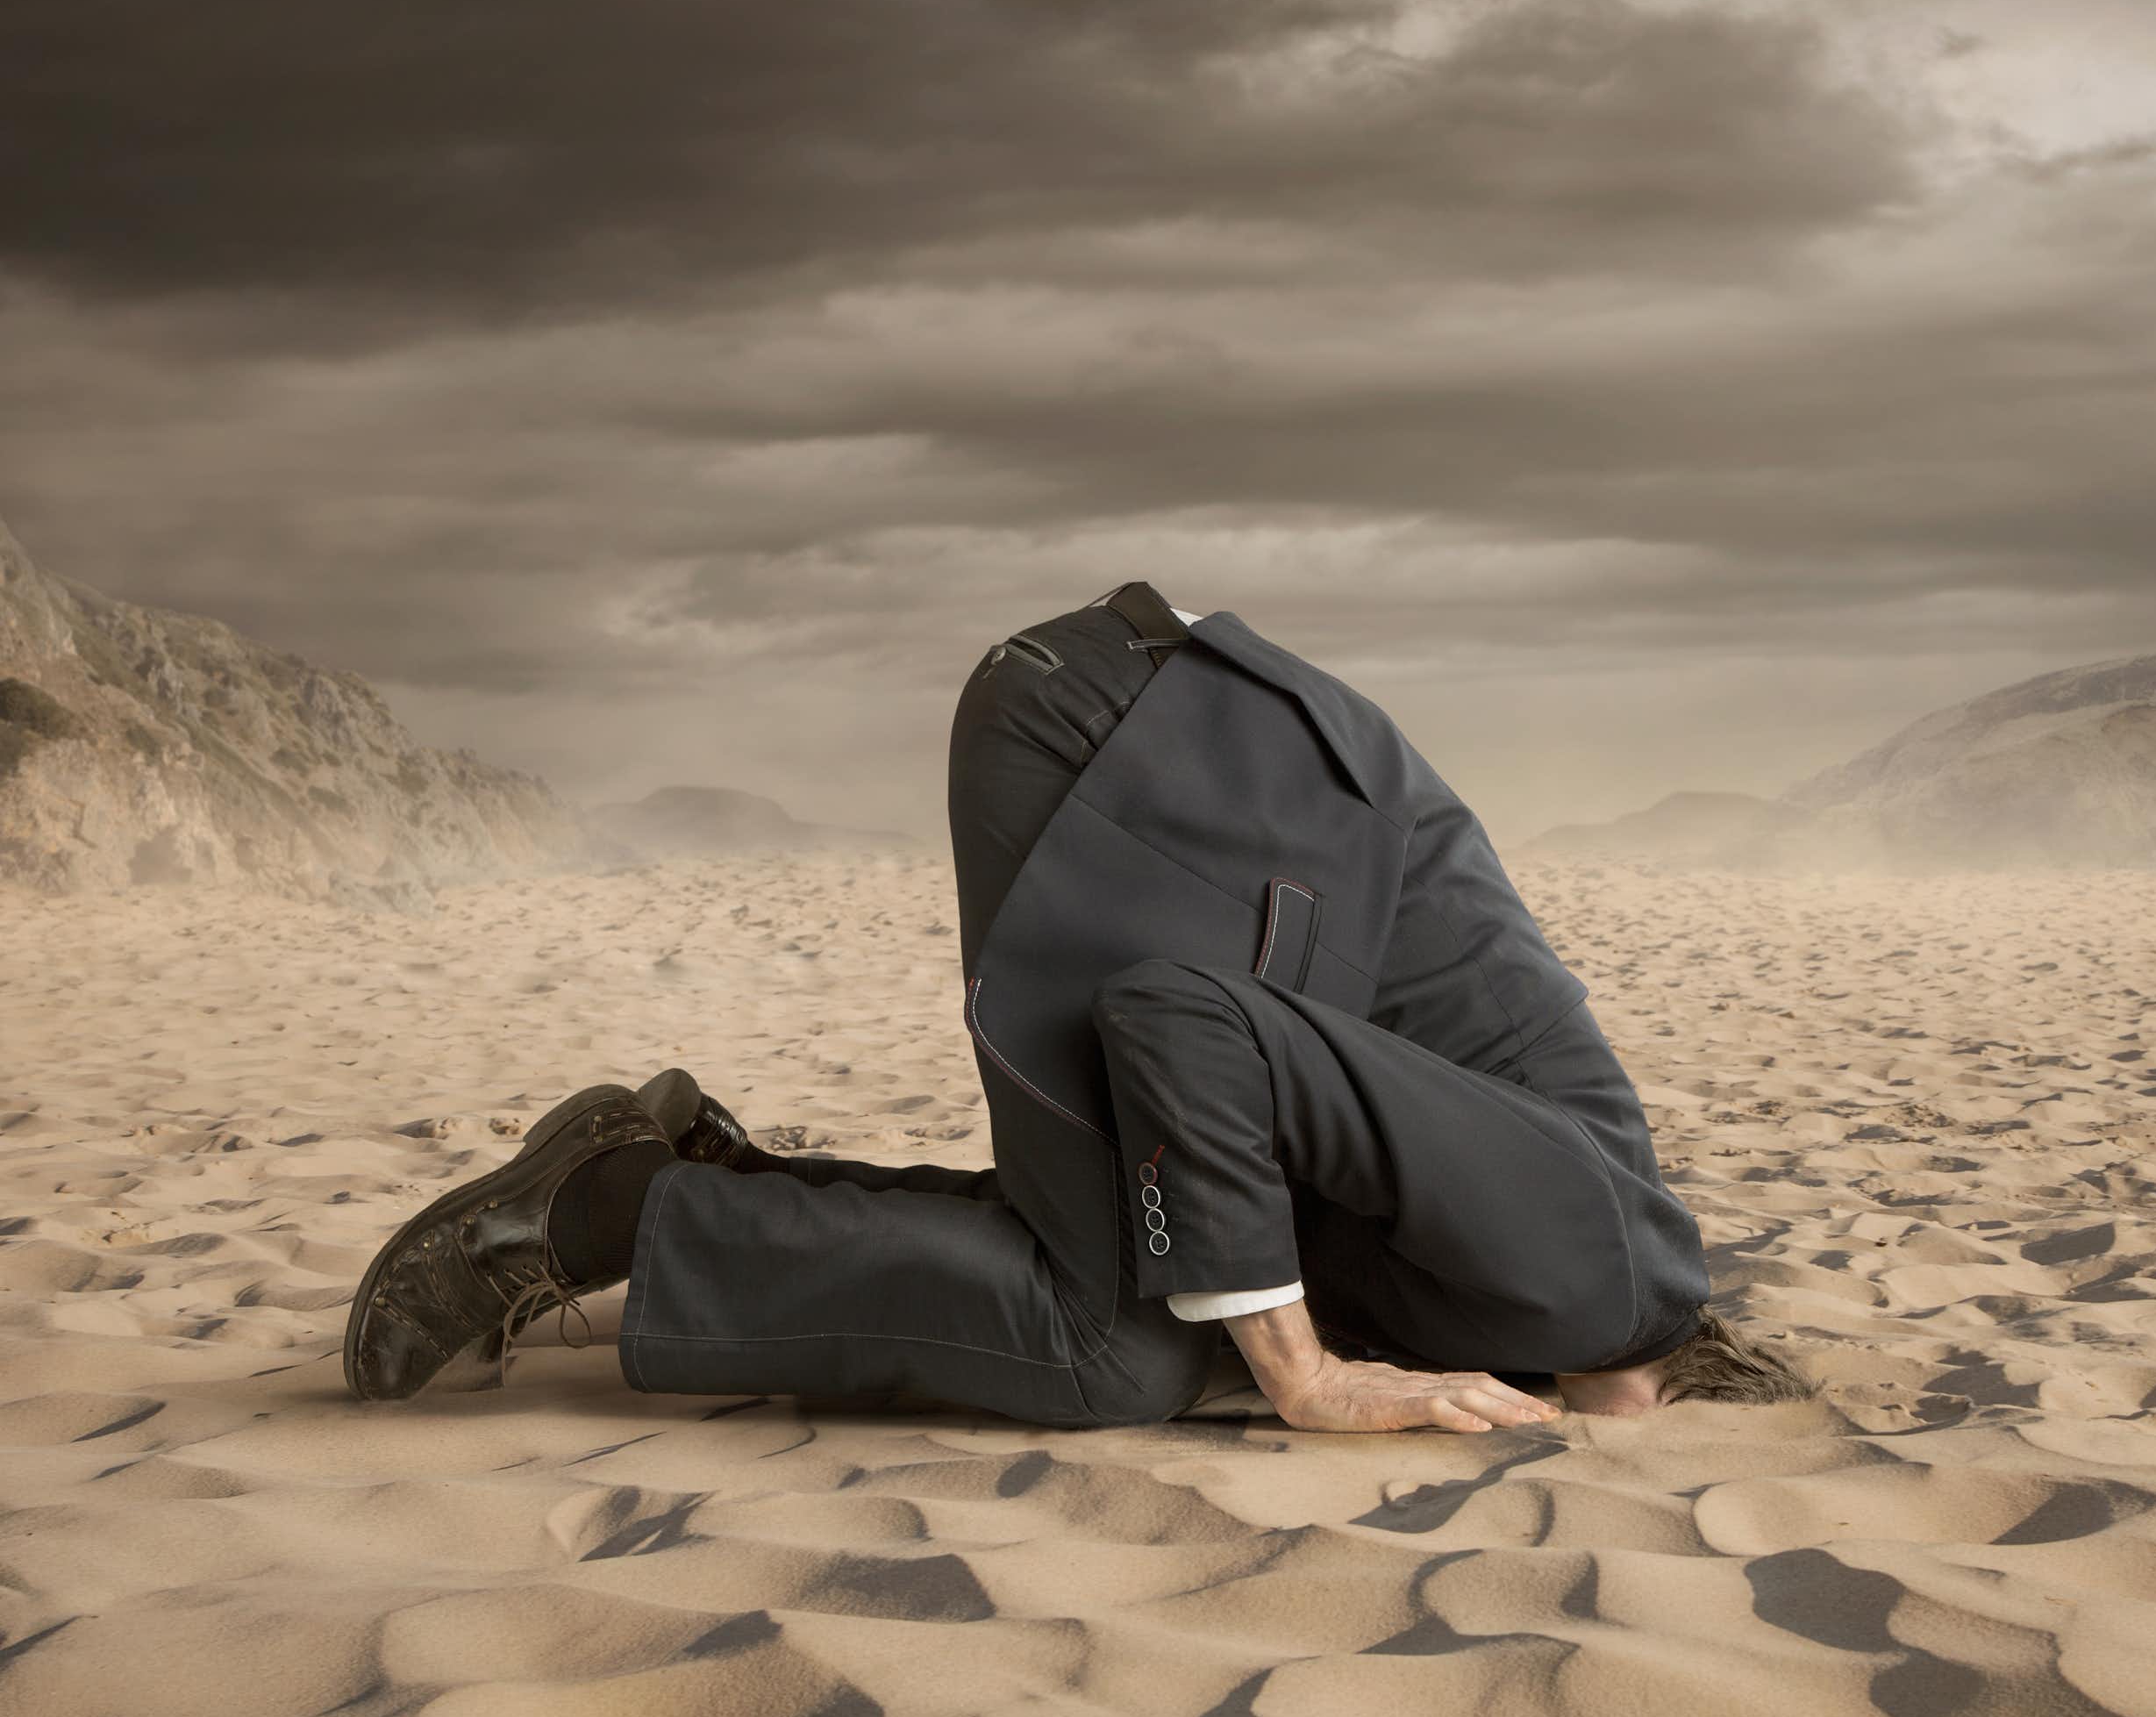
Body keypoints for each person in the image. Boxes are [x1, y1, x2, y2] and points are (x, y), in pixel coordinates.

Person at [345, 582, 1812, 1429]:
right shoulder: (1598, 1273)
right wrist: (1302, 1381)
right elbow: (1186, 1024)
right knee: (1119, 1344)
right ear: (1669, 1383)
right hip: (1128, 753)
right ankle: (591, 1213)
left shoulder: (1532, 1278)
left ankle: (694, 1184)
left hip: (1168, 749)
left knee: (1150, 1283)